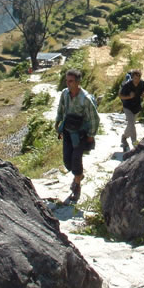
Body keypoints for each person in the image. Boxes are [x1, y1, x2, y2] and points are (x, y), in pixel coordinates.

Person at [55, 68, 100, 203]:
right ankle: (79, 175)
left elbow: (94, 119)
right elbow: (61, 109)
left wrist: (90, 136)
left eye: (71, 81)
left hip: (81, 134)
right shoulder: (65, 94)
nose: (68, 83)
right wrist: (57, 123)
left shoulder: (85, 99)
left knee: (76, 159)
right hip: (67, 131)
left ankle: (77, 186)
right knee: (67, 160)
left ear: (78, 82)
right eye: (67, 80)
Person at [118, 69, 144, 152]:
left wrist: (143, 95)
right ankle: (134, 142)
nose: (137, 80)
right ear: (132, 77)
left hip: (137, 107)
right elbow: (120, 96)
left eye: (138, 78)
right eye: (135, 78)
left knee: (131, 125)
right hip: (127, 107)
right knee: (131, 123)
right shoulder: (127, 85)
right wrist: (129, 97)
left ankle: (124, 137)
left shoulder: (142, 83)